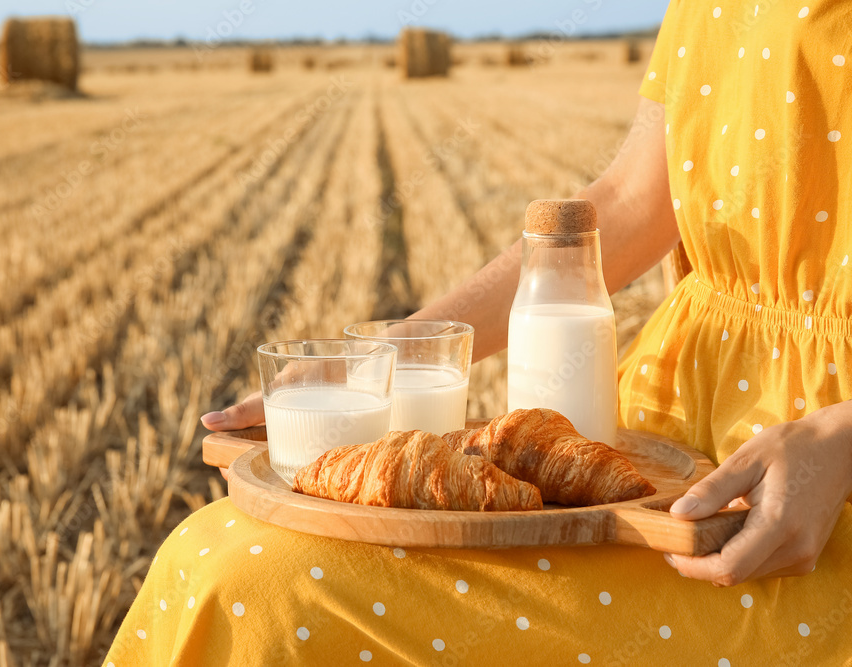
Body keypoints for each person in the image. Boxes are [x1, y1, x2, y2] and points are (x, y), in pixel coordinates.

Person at [104, 1, 852, 663]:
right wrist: (389, 355)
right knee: (209, 557)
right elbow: (630, 200)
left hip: (812, 495)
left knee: (277, 596)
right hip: (666, 446)